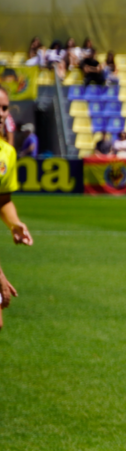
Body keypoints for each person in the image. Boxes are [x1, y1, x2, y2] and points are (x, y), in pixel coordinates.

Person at [0, 89, 32, 331]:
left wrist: (14, 224)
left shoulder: (7, 153)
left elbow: (3, 200)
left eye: (4, 108)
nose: (1, 113)